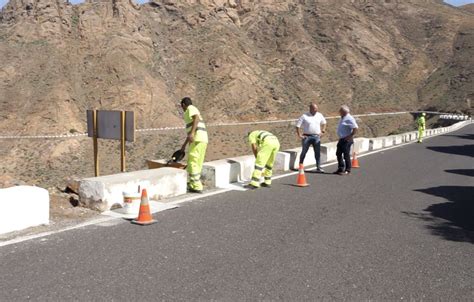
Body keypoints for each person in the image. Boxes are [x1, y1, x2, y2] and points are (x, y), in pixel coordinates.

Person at [180, 97, 208, 193]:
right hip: (203, 139)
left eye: (182, 107)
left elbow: (196, 117)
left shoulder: (190, 108)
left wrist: (192, 134)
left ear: (183, 105)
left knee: (192, 162)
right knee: (198, 163)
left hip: (197, 138)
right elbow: (191, 131)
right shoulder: (192, 109)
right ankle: (193, 183)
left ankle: (196, 186)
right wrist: (183, 146)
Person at [296, 103, 327, 172]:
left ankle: (318, 167)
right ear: (310, 109)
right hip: (306, 137)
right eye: (314, 108)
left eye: (316, 108)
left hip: (316, 137)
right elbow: (298, 125)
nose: (316, 110)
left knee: (317, 152)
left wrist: (323, 131)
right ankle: (300, 165)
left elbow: (324, 123)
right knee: (304, 151)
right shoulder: (304, 116)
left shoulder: (319, 115)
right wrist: (299, 135)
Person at [334, 105, 358, 175]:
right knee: (338, 153)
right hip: (342, 139)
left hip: (346, 140)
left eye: (340, 111)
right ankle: (340, 168)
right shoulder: (343, 117)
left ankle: (348, 169)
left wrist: (350, 136)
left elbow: (355, 128)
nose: (339, 112)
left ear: (344, 111)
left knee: (346, 155)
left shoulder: (349, 118)